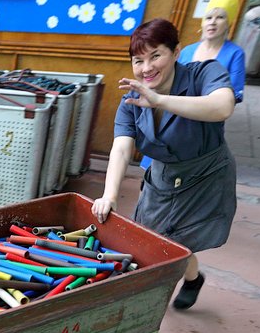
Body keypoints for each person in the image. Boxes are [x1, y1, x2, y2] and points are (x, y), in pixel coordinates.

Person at [91, 18, 237, 310]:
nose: (147, 68)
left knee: (172, 244)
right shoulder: (131, 101)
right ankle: (193, 278)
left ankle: (144, 309)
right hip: (163, 177)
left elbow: (223, 107)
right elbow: (121, 149)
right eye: (138, 60)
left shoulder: (203, 73)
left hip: (205, 176)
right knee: (157, 240)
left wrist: (160, 100)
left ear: (176, 52)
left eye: (156, 55)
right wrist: (109, 195)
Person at [140, 0, 244, 174]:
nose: (213, 23)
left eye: (220, 17)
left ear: (229, 22)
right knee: (153, 174)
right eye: (208, 17)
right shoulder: (187, 51)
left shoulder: (235, 54)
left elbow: (230, 100)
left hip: (203, 126)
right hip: (168, 120)